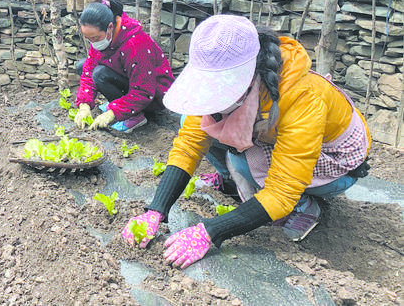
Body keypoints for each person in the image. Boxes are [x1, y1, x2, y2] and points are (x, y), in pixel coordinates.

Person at [122, 15, 371, 268]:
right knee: (195, 120)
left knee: (242, 160)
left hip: (337, 165)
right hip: (274, 140)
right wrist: (156, 210)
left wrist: (210, 232)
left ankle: (305, 206)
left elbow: (281, 191)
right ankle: (231, 180)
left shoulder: (303, 96)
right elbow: (189, 145)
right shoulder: (223, 86)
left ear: (249, 76)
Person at [73, 0, 174, 133]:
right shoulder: (102, 38)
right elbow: (88, 70)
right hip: (127, 79)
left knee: (99, 74)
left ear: (110, 27)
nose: (93, 43)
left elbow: (143, 90)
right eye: (88, 39)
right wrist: (84, 106)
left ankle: (134, 116)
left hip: (153, 95)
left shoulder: (136, 43)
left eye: (95, 38)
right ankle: (119, 103)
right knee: (83, 66)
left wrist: (113, 113)